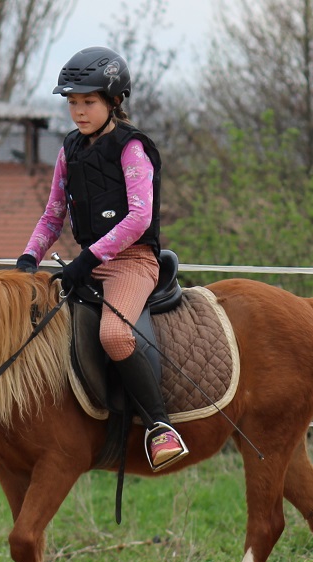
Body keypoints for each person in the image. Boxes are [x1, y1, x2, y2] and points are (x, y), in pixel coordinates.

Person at [15, 46, 188, 471]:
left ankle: (160, 427)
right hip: (88, 264)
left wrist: (87, 259)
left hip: (133, 263)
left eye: (88, 102)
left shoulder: (132, 149)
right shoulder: (68, 150)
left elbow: (139, 216)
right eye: (72, 102)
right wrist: (27, 259)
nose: (78, 111)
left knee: (114, 336)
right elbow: (54, 213)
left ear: (114, 102)